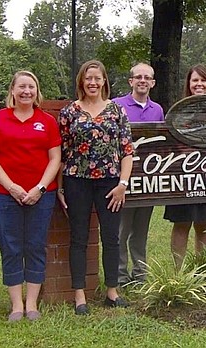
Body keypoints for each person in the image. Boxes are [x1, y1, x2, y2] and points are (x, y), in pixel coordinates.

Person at [0, 71, 61, 321]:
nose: (27, 91)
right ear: (12, 91)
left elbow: (55, 158)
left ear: (37, 92)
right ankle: (16, 305)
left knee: (36, 245)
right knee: (11, 246)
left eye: (31, 87)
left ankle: (32, 304)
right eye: (22, 87)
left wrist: (39, 188)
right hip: (5, 195)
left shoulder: (47, 121)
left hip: (42, 195)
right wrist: (12, 187)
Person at [58, 60, 134, 315]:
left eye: (97, 78)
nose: (92, 82)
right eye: (88, 78)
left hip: (110, 182)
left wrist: (123, 184)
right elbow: (61, 151)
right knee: (79, 237)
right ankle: (79, 295)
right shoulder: (70, 112)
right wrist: (59, 187)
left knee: (111, 237)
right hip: (76, 180)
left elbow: (126, 151)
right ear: (81, 81)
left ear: (104, 81)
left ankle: (112, 291)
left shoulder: (117, 111)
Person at [164, 64, 206, 267]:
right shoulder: (179, 110)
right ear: (188, 84)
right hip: (184, 176)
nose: (199, 84)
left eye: (203, 80)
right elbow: (171, 140)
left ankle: (203, 271)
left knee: (204, 225)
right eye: (195, 80)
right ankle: (178, 273)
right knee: (181, 224)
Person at [112, 63, 164, 286]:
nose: (142, 81)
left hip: (147, 179)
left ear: (152, 83)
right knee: (121, 230)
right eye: (138, 77)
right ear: (131, 81)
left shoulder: (157, 110)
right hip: (122, 179)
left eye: (147, 78)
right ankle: (121, 275)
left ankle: (141, 274)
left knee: (141, 230)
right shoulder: (115, 106)